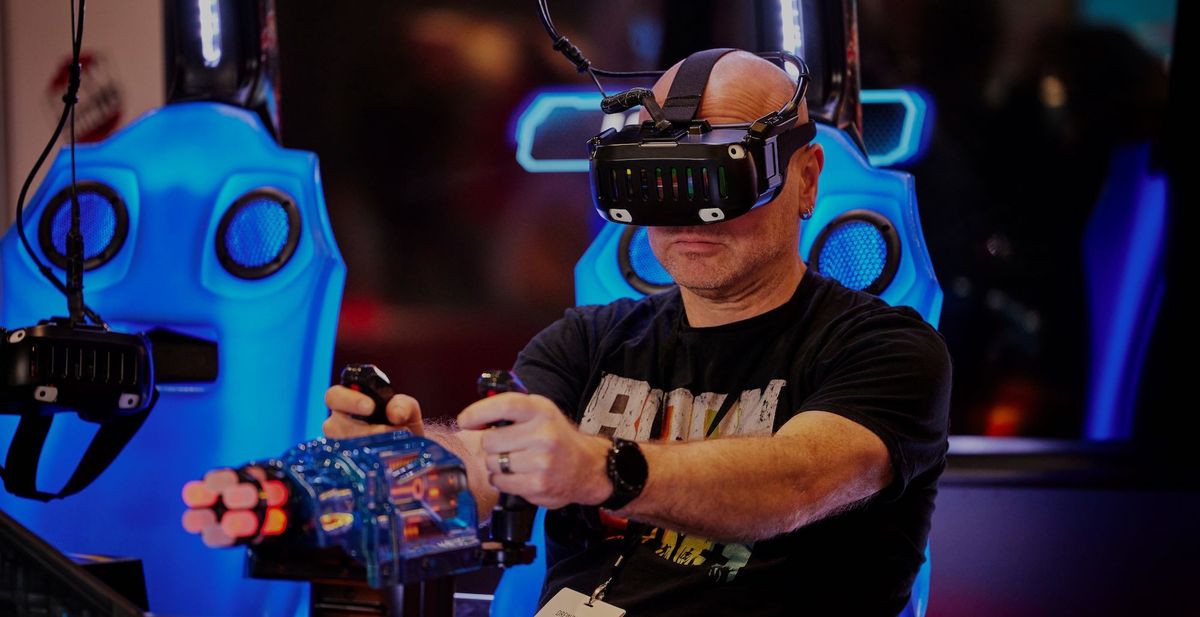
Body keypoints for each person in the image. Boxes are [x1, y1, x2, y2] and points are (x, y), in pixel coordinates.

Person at [325, 50, 951, 616]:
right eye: (662, 179)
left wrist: (605, 469)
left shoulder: (886, 350)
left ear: (806, 179)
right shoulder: (586, 340)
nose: (689, 215)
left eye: (720, 176)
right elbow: (491, 461)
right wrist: (407, 462)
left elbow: (794, 483)